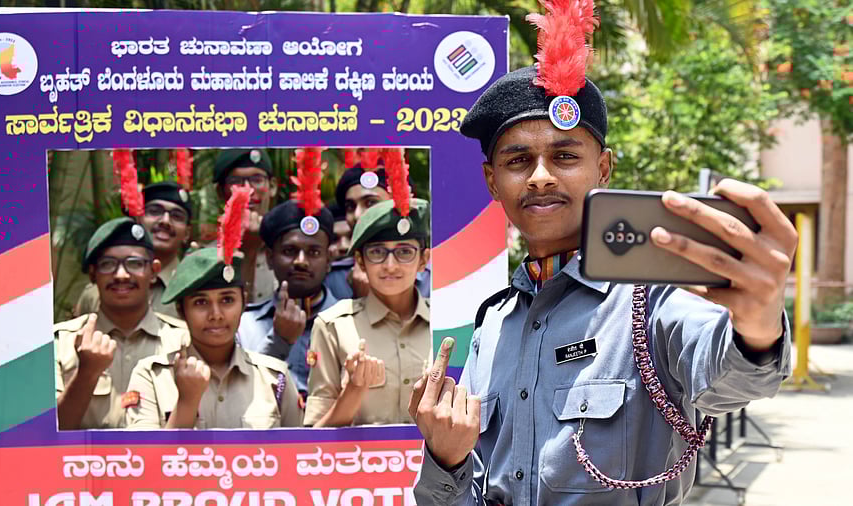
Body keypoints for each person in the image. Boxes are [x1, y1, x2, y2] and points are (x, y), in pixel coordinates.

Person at [409, 2, 796, 504]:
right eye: (518, 160)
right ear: (492, 181)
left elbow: (733, 381)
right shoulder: (493, 325)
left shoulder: (652, 299)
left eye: (565, 156)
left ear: (604, 169)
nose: (541, 176)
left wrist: (759, 328)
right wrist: (446, 461)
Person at [125, 247, 304, 429]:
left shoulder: (275, 378)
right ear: (181, 310)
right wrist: (187, 402)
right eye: (201, 302)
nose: (216, 315)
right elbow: (145, 448)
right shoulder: (152, 376)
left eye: (227, 300)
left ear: (243, 302)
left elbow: (300, 445)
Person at [306, 198, 431, 427]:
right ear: (360, 262)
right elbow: (316, 436)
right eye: (377, 252)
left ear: (423, 260)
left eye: (405, 252)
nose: (390, 265)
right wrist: (354, 389)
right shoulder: (333, 326)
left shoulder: (446, 322)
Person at [55, 217, 187, 430]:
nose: (121, 275)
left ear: (154, 272)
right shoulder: (60, 342)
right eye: (108, 264)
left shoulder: (183, 342)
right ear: (93, 274)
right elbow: (47, 434)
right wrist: (86, 373)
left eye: (134, 264)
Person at [237, 200, 338, 398]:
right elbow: (240, 398)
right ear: (269, 258)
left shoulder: (351, 323)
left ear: (328, 260)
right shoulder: (244, 326)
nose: (301, 261)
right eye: (289, 251)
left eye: (314, 252)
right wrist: (278, 341)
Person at [72, 182, 192, 319]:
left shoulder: (192, 289)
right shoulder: (96, 293)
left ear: (187, 233)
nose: (165, 221)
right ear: (138, 219)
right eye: (154, 211)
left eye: (177, 216)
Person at [325, 161, 431, 300]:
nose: (357, 215)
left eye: (370, 203)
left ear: (398, 203)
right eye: (350, 207)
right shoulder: (333, 279)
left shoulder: (435, 279)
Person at [211, 148, 280, 305]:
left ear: (272, 186)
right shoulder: (208, 257)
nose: (248, 191)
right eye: (236, 182)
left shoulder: (290, 250)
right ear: (220, 192)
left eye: (257, 180)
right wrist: (248, 251)